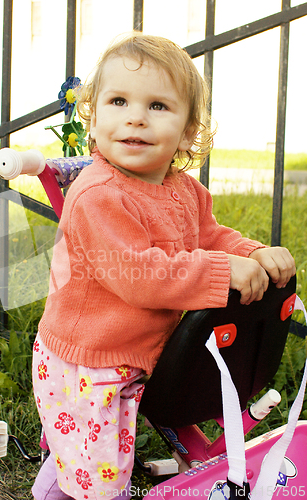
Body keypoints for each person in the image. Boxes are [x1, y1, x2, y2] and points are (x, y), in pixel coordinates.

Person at [31, 33, 296, 500]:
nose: (135, 116)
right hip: (87, 360)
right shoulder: (97, 196)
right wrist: (222, 272)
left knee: (89, 455)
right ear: (92, 122)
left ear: (189, 131)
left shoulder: (183, 190)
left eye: (157, 106)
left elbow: (212, 236)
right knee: (102, 479)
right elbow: (139, 275)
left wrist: (251, 252)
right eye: (118, 101)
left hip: (130, 352)